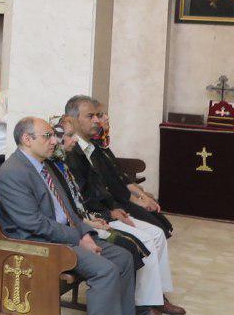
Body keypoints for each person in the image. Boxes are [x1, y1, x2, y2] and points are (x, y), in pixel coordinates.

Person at [0, 117, 147, 315]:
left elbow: (69, 209)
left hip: (64, 236)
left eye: (54, 135)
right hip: (38, 245)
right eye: (47, 136)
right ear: (27, 140)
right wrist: (78, 238)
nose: (54, 141)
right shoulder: (13, 173)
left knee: (122, 256)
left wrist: (84, 232)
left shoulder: (44, 165)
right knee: (105, 270)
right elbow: (33, 223)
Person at [50, 115, 180, 315]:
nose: (101, 122)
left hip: (96, 215)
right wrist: (97, 219)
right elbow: (75, 202)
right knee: (138, 243)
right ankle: (142, 308)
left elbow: (103, 185)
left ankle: (154, 299)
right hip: (89, 221)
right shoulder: (62, 162)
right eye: (68, 137)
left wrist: (106, 212)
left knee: (154, 233)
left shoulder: (84, 152)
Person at [63, 95, 174, 237]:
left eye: (98, 115)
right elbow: (85, 194)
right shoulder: (72, 153)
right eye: (91, 116)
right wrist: (111, 212)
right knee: (152, 236)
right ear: (73, 120)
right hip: (98, 214)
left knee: (158, 231)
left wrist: (138, 197)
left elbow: (116, 178)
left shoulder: (94, 148)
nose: (98, 120)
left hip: (111, 206)